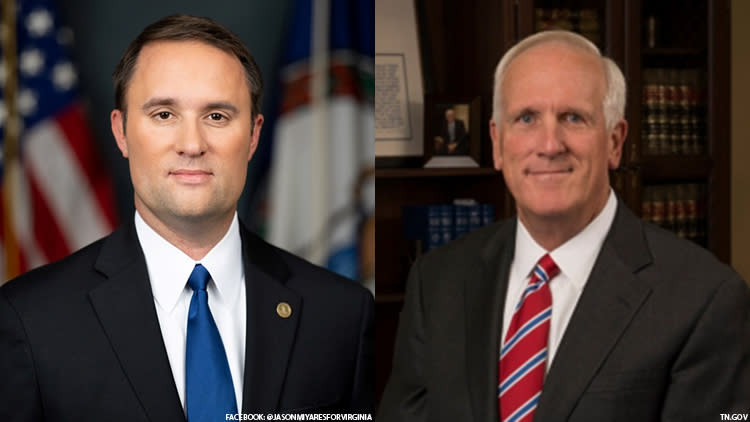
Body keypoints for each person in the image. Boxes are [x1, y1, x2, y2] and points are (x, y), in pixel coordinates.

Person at [0, 15, 373, 421]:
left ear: (252, 136)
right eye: (164, 114)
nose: (192, 144)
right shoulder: (29, 319)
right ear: (121, 132)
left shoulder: (341, 314)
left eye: (217, 116)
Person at [378, 30, 750, 421]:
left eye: (573, 118)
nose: (550, 144)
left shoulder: (704, 300)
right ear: (497, 142)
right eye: (526, 118)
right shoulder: (436, 281)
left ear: (614, 142)